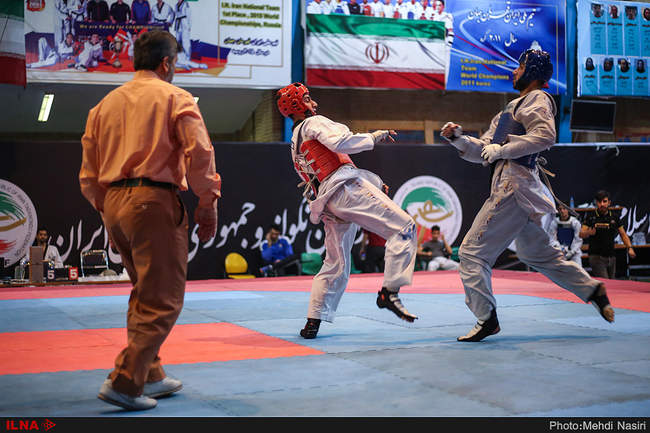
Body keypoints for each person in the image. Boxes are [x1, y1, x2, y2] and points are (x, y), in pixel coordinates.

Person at [80, 29, 221, 411]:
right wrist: (207, 202)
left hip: (114, 204)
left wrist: (109, 208)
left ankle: (151, 373)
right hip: (153, 200)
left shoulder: (103, 106)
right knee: (163, 299)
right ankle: (126, 381)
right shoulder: (175, 97)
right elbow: (199, 153)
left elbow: (88, 174)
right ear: (166, 63)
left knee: (144, 291)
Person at [440, 49, 615, 342]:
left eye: (519, 67)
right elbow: (484, 150)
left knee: (471, 253)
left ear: (532, 71)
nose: (514, 71)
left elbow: (545, 136)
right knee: (538, 255)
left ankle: (486, 317)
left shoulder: (538, 99)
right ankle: (593, 290)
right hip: (520, 191)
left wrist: (502, 150)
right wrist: (458, 139)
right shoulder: (509, 110)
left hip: (514, 188)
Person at [276, 82, 418, 339]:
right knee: (405, 227)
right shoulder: (314, 122)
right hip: (346, 190)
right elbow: (341, 143)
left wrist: (374, 185)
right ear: (298, 105)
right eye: (308, 99)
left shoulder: (294, 141)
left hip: (329, 200)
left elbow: (328, 167)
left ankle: (313, 321)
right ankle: (390, 291)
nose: (314, 103)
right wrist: (375, 136)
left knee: (335, 263)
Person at [580, 190, 636, 279]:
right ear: (596, 203)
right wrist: (588, 232)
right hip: (596, 257)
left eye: (604, 201)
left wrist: (630, 248)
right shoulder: (590, 216)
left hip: (611, 256)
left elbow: (623, 234)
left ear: (609, 202)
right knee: (605, 282)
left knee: (612, 283)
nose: (602, 204)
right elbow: (581, 234)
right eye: (599, 202)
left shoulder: (614, 217)